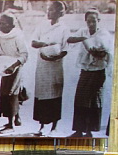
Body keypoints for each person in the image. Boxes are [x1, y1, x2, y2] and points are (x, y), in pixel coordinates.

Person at [68, 8, 112, 137]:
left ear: (99, 20)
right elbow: (69, 39)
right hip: (85, 70)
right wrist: (83, 38)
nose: (91, 24)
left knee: (94, 100)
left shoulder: (104, 34)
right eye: (88, 21)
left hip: (98, 71)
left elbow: (104, 52)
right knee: (80, 99)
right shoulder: (83, 31)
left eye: (94, 21)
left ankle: (89, 131)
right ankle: (78, 130)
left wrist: (95, 50)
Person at [31, 2, 70, 135]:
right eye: (48, 9)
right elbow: (33, 42)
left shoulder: (64, 29)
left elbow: (65, 49)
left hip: (55, 66)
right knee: (42, 94)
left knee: (55, 94)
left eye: (52, 10)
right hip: (42, 65)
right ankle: (42, 127)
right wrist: (46, 44)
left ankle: (54, 127)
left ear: (60, 13)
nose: (48, 12)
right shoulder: (42, 25)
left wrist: (54, 57)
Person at [0, 12, 28, 132]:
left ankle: (10, 125)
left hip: (16, 67)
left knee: (11, 93)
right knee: (5, 92)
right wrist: (0, 62)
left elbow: (24, 54)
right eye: (0, 23)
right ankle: (16, 118)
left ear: (11, 25)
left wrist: (14, 66)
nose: (1, 26)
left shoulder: (18, 36)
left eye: (4, 24)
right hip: (5, 66)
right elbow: (1, 52)